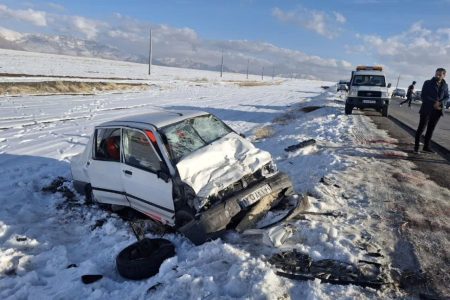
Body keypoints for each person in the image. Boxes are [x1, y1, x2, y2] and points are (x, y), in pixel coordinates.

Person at [414, 68, 449, 153]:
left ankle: (426, 147)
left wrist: (440, 103)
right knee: (421, 129)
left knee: (431, 129)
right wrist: (434, 103)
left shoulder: (445, 85)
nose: (437, 76)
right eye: (436, 74)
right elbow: (423, 96)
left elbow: (447, 96)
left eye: (440, 75)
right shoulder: (428, 83)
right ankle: (416, 148)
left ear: (444, 75)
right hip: (426, 109)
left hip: (438, 111)